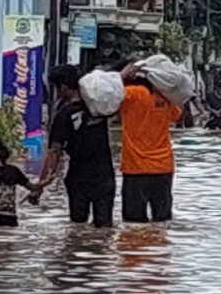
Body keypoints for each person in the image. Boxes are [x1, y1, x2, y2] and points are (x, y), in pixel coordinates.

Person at [34, 64, 117, 227]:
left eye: (57, 88)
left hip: (79, 178)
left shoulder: (63, 116)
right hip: (104, 176)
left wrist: (41, 185)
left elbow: (54, 153)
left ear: (64, 87)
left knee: (78, 227)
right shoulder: (98, 108)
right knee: (104, 229)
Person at [116, 61, 182, 222]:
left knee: (134, 224)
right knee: (162, 222)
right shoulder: (166, 99)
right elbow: (177, 114)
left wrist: (121, 76)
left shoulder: (131, 94)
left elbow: (107, 92)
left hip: (136, 169)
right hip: (163, 167)